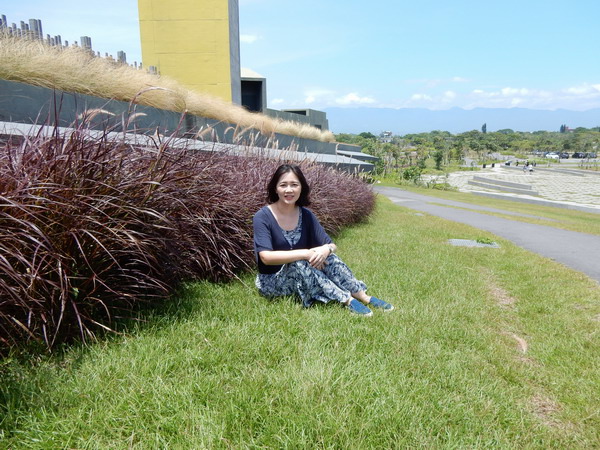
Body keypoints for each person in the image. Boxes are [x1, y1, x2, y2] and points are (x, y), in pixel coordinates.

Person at [253, 164, 394, 317]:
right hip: (272, 281)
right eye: (283, 185)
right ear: (275, 188)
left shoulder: (306, 215)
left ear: (301, 188)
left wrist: (325, 250)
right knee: (299, 262)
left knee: (328, 256)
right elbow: (266, 258)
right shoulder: (263, 216)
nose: (289, 190)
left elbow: (331, 244)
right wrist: (306, 253)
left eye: (294, 185)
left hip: (302, 268)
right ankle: (346, 299)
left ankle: (362, 295)